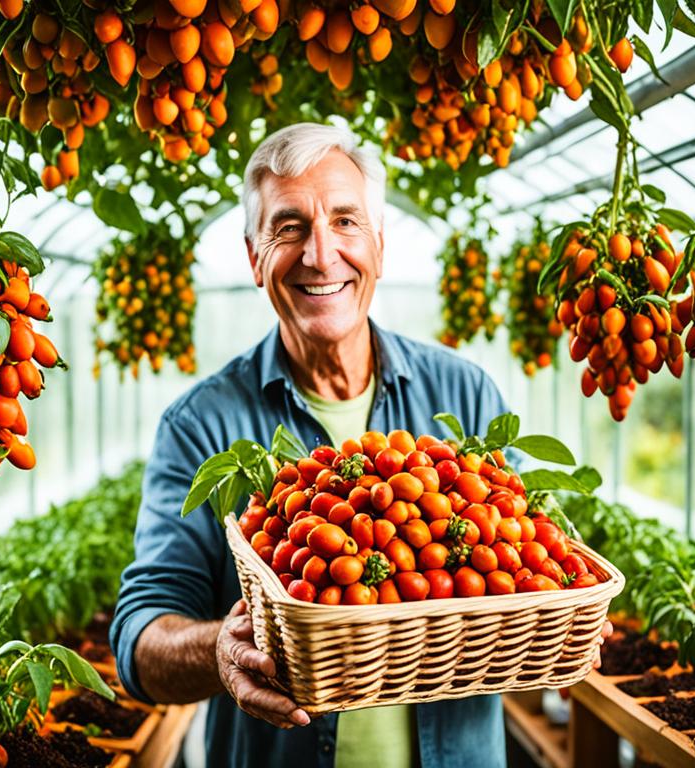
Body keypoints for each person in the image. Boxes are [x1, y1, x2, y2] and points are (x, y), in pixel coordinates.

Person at [111, 122, 514, 768]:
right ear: (253, 258)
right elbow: (139, 636)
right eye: (289, 227)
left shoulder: (464, 397)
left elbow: (520, 561)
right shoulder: (201, 424)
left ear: (379, 246)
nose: (320, 255)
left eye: (347, 222)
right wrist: (221, 650)